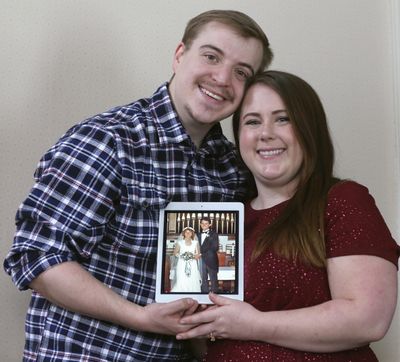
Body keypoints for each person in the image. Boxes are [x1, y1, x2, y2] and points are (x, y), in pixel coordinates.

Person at [3, 10, 273, 362]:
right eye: (211, 56)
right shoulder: (108, 140)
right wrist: (141, 317)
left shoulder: (232, 167)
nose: (223, 78)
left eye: (242, 72)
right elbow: (36, 258)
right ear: (179, 55)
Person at [176, 70, 400, 361]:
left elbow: (367, 319)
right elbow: (209, 337)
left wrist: (252, 324)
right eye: (252, 121)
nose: (266, 133)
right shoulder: (224, 219)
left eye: (283, 119)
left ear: (309, 129)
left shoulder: (342, 200)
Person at [171, 227, 202, 293]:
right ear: (184, 233)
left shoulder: (195, 243)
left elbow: (198, 254)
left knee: (192, 278)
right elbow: (175, 253)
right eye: (186, 232)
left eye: (189, 232)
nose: (188, 233)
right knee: (182, 278)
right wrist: (183, 256)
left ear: (192, 234)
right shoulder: (180, 243)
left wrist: (192, 257)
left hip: (192, 263)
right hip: (182, 263)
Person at [197, 217, 220, 293]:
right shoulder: (197, 235)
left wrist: (201, 251)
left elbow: (215, 247)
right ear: (200, 224)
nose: (204, 225)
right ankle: (204, 296)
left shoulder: (214, 234)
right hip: (201, 260)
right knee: (203, 279)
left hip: (211, 260)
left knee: (213, 280)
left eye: (206, 223)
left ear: (210, 224)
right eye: (202, 223)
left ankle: (215, 297)